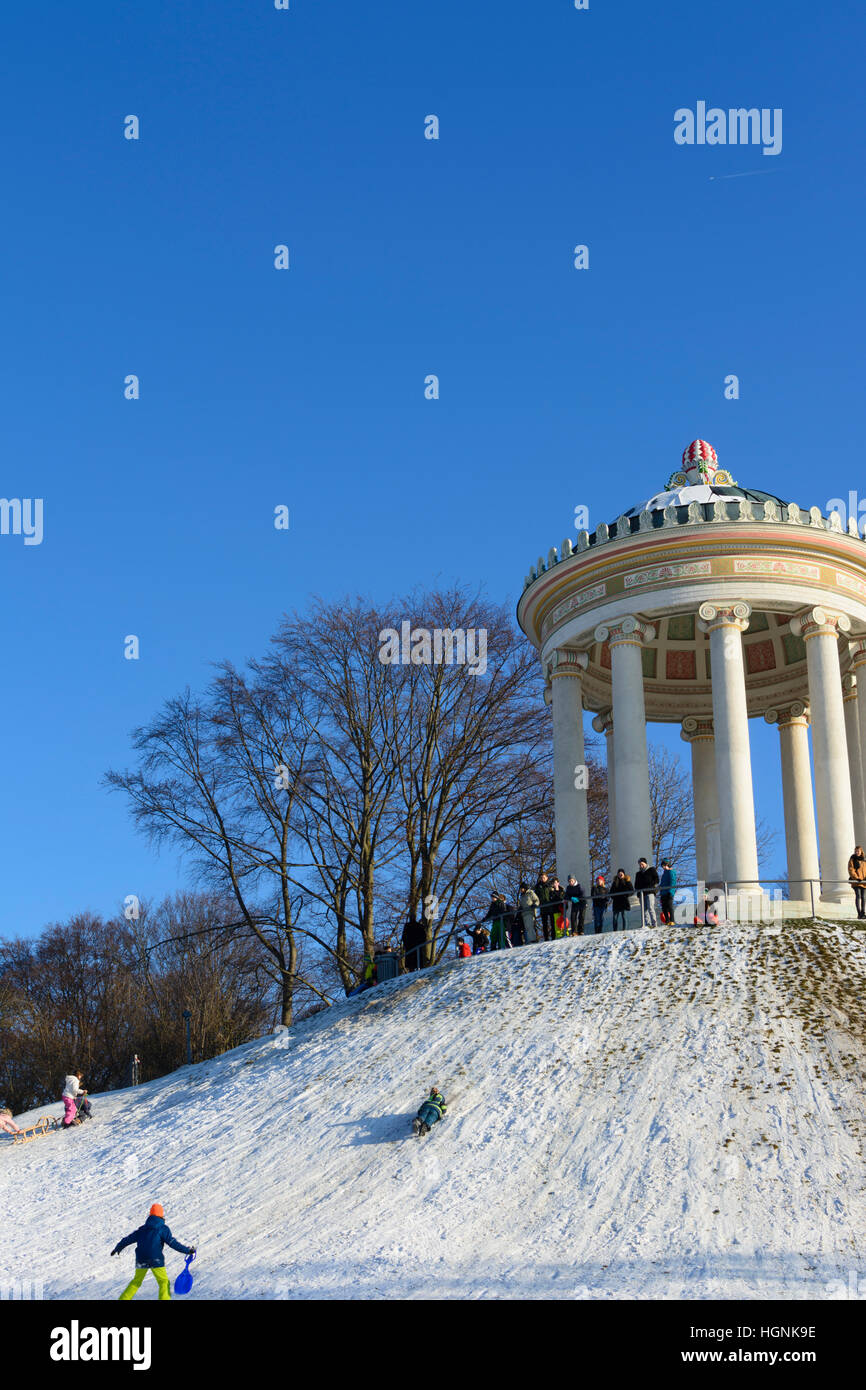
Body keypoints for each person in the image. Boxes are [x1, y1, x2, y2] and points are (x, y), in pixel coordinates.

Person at [111, 1203, 196, 1301]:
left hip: (141, 1259)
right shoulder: (163, 1229)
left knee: (136, 1282)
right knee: (163, 1281)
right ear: (161, 1215)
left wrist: (117, 1248)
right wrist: (188, 1250)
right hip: (156, 1259)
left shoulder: (142, 1229)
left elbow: (128, 1239)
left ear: (150, 1215)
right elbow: (173, 1243)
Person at [634, 858, 659, 927]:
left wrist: (651, 886)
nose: (641, 866)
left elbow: (656, 879)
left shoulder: (651, 870)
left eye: (642, 864)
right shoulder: (638, 874)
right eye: (640, 865)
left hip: (650, 892)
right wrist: (639, 890)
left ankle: (654, 924)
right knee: (644, 910)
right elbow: (636, 885)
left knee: (650, 907)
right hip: (641, 894)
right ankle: (647, 924)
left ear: (645, 863)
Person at [535, 872, 556, 942]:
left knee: (552, 922)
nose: (543, 879)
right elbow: (536, 896)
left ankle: (553, 937)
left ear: (547, 878)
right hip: (543, 906)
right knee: (544, 923)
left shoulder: (550, 885)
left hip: (550, 906)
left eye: (544, 877)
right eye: (541, 878)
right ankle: (546, 938)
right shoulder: (538, 886)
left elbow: (554, 893)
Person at [848, 846, 866, 919]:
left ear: (861, 852)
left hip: (864, 882)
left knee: (864, 897)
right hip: (856, 881)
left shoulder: (864, 860)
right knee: (858, 896)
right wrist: (857, 878)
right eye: (856, 851)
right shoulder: (852, 860)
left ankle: (863, 913)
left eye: (858, 851)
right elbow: (851, 870)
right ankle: (859, 913)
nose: (857, 852)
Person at [659, 859, 677, 924]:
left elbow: (673, 882)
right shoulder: (664, 874)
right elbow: (662, 883)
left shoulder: (671, 872)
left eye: (664, 865)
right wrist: (659, 889)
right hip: (663, 893)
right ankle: (667, 920)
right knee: (664, 907)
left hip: (669, 892)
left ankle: (672, 920)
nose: (663, 867)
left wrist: (671, 891)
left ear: (667, 865)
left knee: (669, 906)